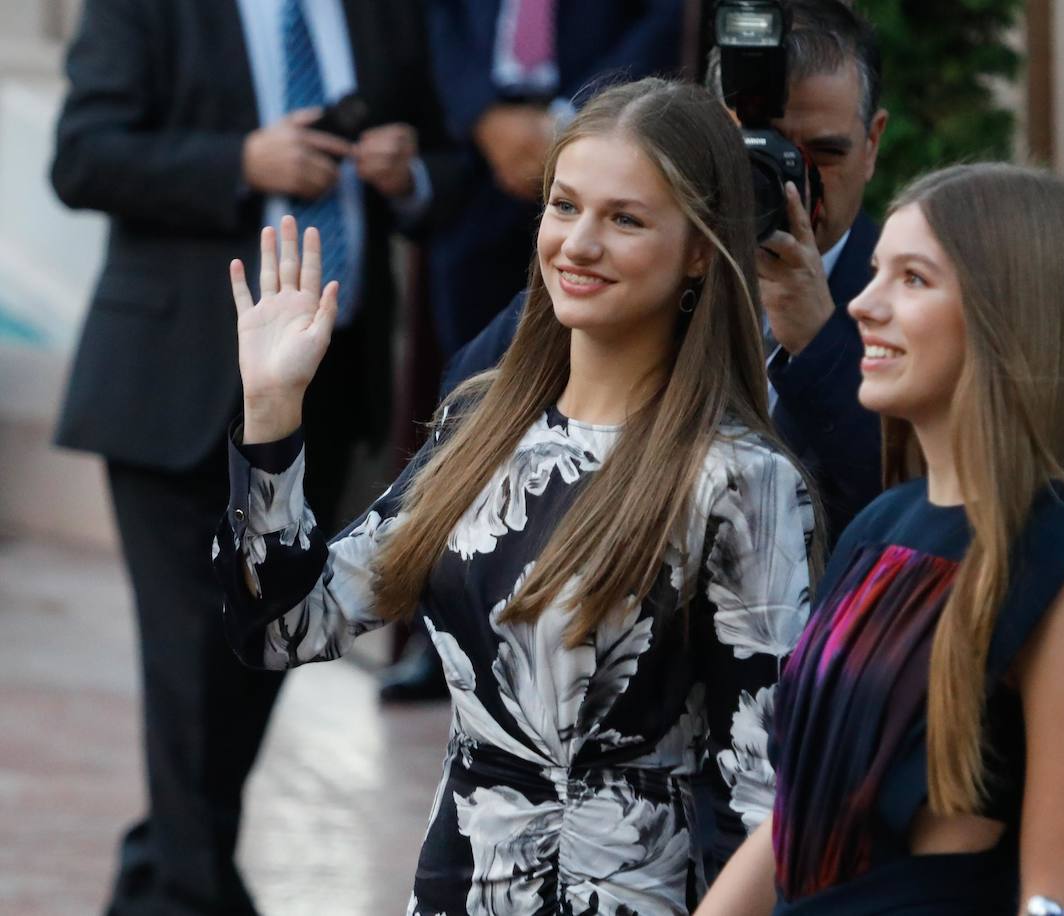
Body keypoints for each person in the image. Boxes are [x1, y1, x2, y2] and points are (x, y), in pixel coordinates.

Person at [213, 78, 815, 914]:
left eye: (626, 219)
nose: (580, 243)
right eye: (564, 206)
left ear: (700, 251)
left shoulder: (740, 478)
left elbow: (770, 801)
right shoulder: (481, 425)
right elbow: (287, 627)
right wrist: (273, 412)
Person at [47, 0, 464, 912]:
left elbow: (451, 156)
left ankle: (161, 878)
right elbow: (82, 156)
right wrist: (241, 160)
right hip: (173, 385)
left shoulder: (379, 13)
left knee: (262, 653)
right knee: (189, 673)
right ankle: (190, 892)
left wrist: (410, 173)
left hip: (329, 389)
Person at [382, 0, 888, 703]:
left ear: (873, 142)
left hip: (823, 692)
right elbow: (469, 414)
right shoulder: (640, 267)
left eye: (821, 155)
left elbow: (913, 509)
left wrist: (819, 345)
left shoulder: (907, 292)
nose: (786, 181)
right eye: (756, 153)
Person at [697, 163, 1064, 915]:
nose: (862, 303)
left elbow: (1058, 902)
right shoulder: (879, 527)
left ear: (1009, 311)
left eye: (912, 279)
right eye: (877, 271)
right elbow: (798, 814)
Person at [422, 0, 686, 357]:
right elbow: (441, 17)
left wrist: (572, 120)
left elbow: (663, 20)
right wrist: (482, 115)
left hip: (608, 132)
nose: (577, 245)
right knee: (472, 353)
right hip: (475, 160)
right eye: (562, 206)